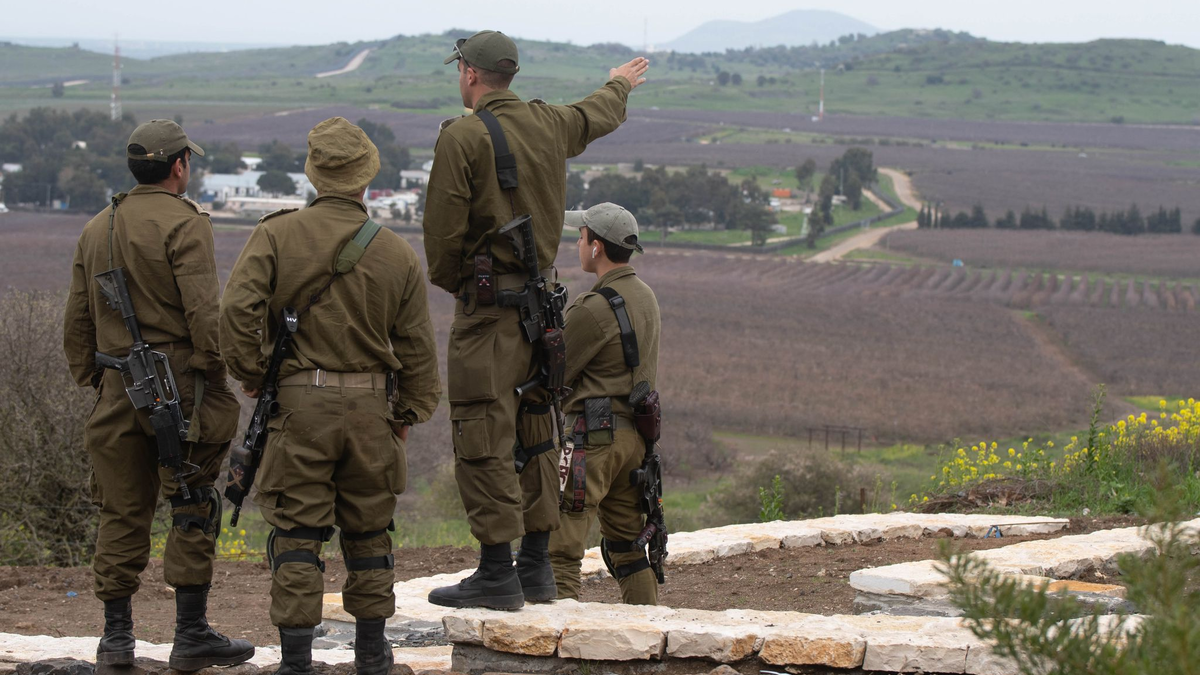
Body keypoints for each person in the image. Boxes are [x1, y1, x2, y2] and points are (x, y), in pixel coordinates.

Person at [421, 29, 649, 609]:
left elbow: (442, 242)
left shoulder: (463, 136)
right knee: (537, 434)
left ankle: (497, 570)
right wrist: (619, 83)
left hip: (490, 317)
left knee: (482, 433)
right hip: (542, 316)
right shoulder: (549, 124)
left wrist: (464, 290)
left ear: (470, 74)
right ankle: (535, 568)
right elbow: (595, 114)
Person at [219, 117, 439, 675]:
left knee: (296, 533)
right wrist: (407, 413)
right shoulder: (396, 252)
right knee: (369, 531)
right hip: (371, 411)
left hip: (299, 409)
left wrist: (253, 373)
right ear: (367, 178)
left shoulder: (274, 234)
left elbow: (236, 312)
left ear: (314, 174)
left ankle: (297, 662)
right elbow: (416, 346)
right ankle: (371, 654)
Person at [63, 119, 254, 670]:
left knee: (120, 512)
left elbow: (78, 319)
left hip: (117, 385)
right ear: (178, 167)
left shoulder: (97, 225)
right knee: (192, 505)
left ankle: (116, 641)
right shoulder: (185, 222)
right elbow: (203, 315)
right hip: (178, 390)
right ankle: (190, 633)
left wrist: (96, 380)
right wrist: (221, 374)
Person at [548, 203, 661, 605]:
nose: (577, 244)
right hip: (635, 440)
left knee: (559, 547)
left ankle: (558, 642)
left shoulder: (593, 307)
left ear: (596, 247)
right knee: (629, 550)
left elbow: (554, 375)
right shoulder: (646, 297)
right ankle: (649, 636)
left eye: (580, 237)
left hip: (592, 441)